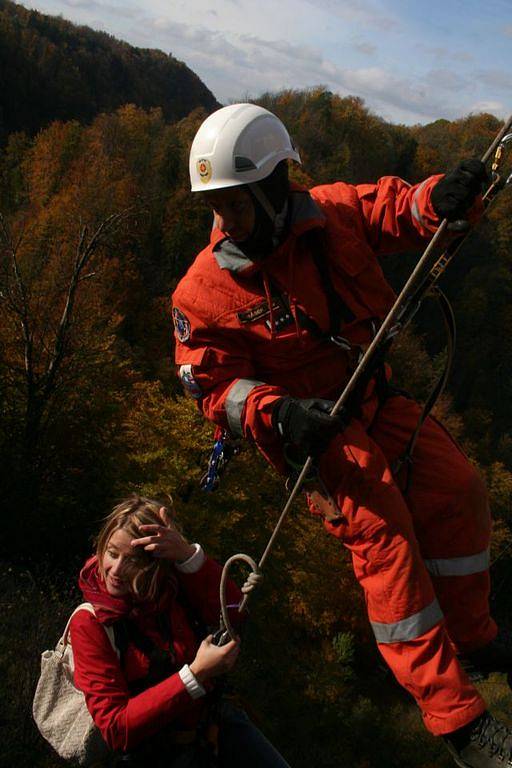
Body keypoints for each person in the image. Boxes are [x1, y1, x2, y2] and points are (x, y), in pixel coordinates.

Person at [171, 102, 512, 767]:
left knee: (460, 490)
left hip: (373, 397)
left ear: (275, 188)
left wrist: (438, 199)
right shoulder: (203, 293)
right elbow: (215, 387)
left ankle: (473, 635)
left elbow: (393, 208)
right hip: (314, 433)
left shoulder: (327, 215)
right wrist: (279, 414)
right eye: (218, 206)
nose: (227, 220)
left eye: (237, 204)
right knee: (387, 541)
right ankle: (460, 723)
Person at [70, 494, 291, 767]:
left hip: (213, 728)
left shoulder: (171, 585)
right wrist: (196, 674)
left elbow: (235, 612)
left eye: (132, 560)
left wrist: (188, 556)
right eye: (112, 553)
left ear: (153, 563)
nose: (116, 570)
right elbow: (117, 730)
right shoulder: (90, 623)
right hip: (156, 755)